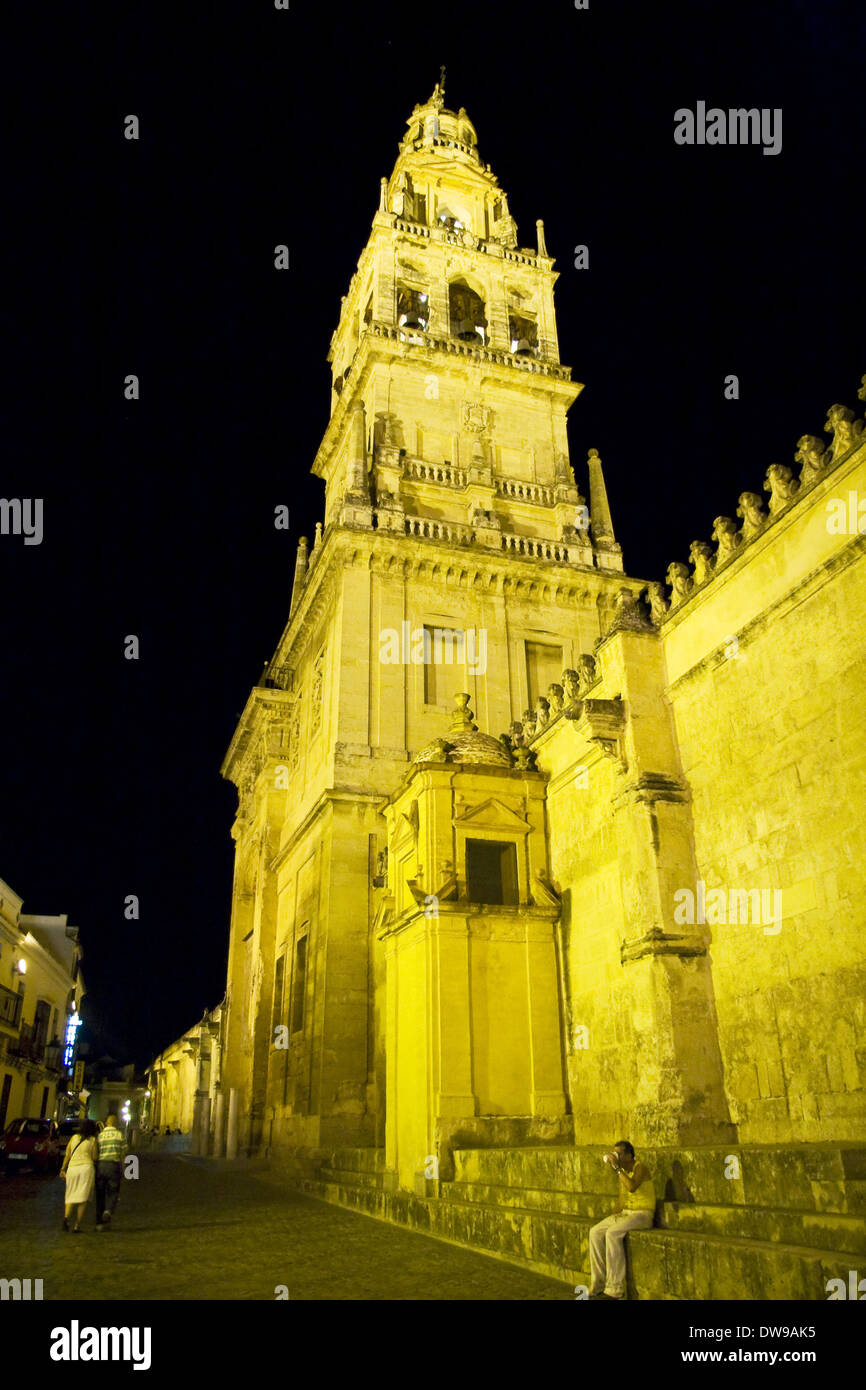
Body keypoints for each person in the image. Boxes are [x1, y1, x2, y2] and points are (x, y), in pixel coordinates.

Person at [588, 1140, 655, 1300]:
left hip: (642, 1213)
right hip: (627, 1213)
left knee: (612, 1234)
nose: (616, 1156)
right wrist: (612, 1216)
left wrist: (617, 1168)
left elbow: (632, 1187)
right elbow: (622, 1199)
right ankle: (597, 1282)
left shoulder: (640, 1168)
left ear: (629, 1155)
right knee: (595, 1232)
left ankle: (615, 1288)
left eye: (619, 1153)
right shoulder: (622, 1171)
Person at [59, 1119, 98, 1233]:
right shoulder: (92, 1140)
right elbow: (95, 1157)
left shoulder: (74, 1138)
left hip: (72, 1169)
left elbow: (67, 1155)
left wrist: (62, 1168)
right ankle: (77, 1226)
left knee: (71, 1194)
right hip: (86, 1168)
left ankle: (66, 1219)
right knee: (83, 1198)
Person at [95, 1112, 127, 1231]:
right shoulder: (120, 1135)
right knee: (113, 1191)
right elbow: (123, 1154)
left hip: (101, 1165)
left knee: (100, 1194)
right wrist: (124, 1169)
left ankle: (99, 1224)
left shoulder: (100, 1136)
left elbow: (96, 1152)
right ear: (116, 1123)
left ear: (107, 1123)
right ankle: (108, 1210)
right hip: (114, 1165)